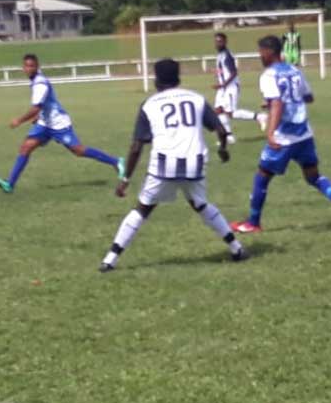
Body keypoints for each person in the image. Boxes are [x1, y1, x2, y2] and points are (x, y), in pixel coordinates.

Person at [100, 59, 248, 273]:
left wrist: (125, 179)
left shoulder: (150, 104)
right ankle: (236, 248)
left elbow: (136, 146)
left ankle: (110, 259)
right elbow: (221, 131)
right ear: (178, 78)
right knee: (200, 204)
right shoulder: (196, 98)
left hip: (164, 166)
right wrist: (223, 149)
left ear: (157, 80)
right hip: (195, 163)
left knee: (143, 209)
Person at [231, 36, 331, 233]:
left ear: (269, 52)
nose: (260, 56)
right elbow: (309, 97)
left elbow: (278, 103)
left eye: (261, 52)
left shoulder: (268, 76)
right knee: (313, 176)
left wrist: (270, 132)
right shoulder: (294, 70)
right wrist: (284, 100)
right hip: (304, 134)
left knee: (262, 176)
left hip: (284, 136)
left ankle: (253, 223)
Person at [0, 54, 125, 193]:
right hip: (45, 123)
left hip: (58, 123)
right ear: (23, 67)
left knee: (78, 150)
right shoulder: (36, 79)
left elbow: (36, 107)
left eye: (32, 66)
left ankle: (116, 162)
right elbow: (44, 103)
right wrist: (39, 116)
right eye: (26, 66)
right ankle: (10, 184)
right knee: (26, 147)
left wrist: (19, 120)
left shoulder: (40, 84)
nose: (28, 69)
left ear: (37, 67)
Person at [212, 33, 269, 144]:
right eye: (216, 41)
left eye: (220, 41)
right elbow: (224, 71)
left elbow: (234, 73)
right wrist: (218, 75)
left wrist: (223, 84)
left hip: (230, 87)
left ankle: (259, 117)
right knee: (218, 110)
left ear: (225, 42)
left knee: (230, 113)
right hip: (223, 88)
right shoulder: (220, 55)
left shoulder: (227, 56)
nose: (217, 43)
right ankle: (228, 137)